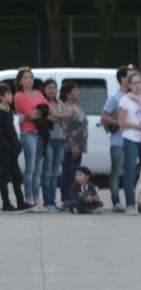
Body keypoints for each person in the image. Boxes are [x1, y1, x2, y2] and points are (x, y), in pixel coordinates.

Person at [118, 71, 141, 214]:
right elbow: (122, 122)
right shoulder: (125, 100)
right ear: (129, 85)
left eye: (139, 83)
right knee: (130, 170)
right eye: (134, 83)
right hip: (131, 138)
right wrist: (139, 127)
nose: (137, 86)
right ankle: (130, 203)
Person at [100, 66, 131, 212]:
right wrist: (119, 123)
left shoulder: (136, 97)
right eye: (129, 76)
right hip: (118, 141)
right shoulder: (115, 98)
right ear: (123, 79)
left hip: (133, 141)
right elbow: (104, 116)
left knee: (129, 172)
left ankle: (131, 202)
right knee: (117, 171)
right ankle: (116, 201)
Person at [13, 67, 45, 210]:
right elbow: (30, 114)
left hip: (40, 132)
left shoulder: (38, 93)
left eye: (31, 77)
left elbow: (48, 108)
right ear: (20, 81)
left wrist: (38, 113)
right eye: (26, 78)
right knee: (30, 167)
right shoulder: (19, 96)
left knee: (38, 167)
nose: (29, 80)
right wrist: (39, 113)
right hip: (29, 133)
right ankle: (29, 198)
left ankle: (37, 198)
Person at [39, 78, 72, 212]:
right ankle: (47, 202)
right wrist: (58, 116)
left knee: (55, 172)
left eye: (54, 87)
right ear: (44, 89)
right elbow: (47, 117)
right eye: (49, 88)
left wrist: (55, 114)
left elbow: (68, 113)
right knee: (47, 172)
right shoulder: (42, 102)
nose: (52, 90)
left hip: (60, 139)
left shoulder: (58, 102)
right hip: (49, 139)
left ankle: (53, 201)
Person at [59, 81, 88, 211]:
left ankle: (74, 198)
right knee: (68, 173)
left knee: (75, 173)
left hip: (79, 146)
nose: (78, 93)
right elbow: (66, 129)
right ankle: (66, 199)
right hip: (70, 146)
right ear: (68, 94)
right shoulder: (66, 108)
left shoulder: (76, 107)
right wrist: (72, 145)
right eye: (75, 91)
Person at [0, 83, 24, 210]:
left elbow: (12, 131)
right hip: (4, 151)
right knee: (3, 177)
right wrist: (9, 148)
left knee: (17, 176)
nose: (12, 96)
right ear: (1, 97)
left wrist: (17, 145)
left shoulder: (8, 111)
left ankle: (20, 202)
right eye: (8, 94)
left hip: (12, 150)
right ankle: (6, 203)